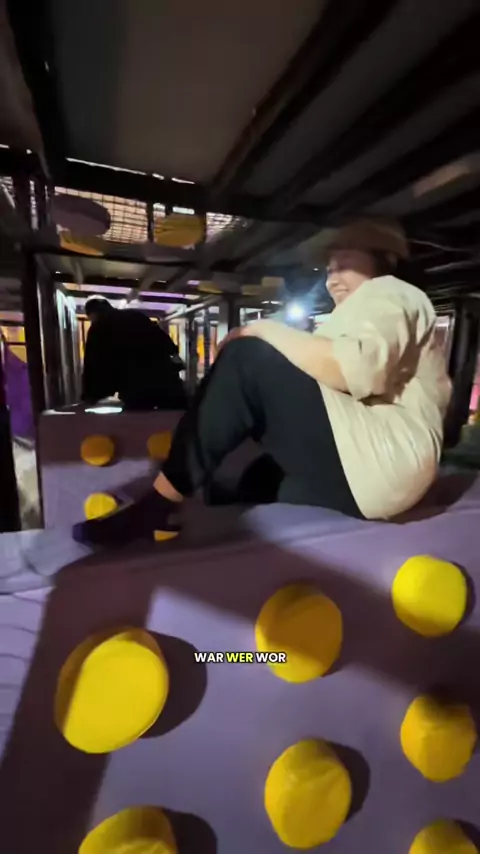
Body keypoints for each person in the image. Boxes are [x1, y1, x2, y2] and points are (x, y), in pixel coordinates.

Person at [72, 218, 452, 548]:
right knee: (250, 481)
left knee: (247, 357)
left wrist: (261, 331)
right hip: (385, 482)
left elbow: (354, 369)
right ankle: (198, 489)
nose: (333, 279)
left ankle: (158, 505)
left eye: (345, 263)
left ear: (386, 261)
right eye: (329, 269)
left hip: (381, 462)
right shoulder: (379, 309)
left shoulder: (389, 290)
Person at [81, 297, 187, 410]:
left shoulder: (98, 329)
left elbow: (92, 364)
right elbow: (164, 340)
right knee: (174, 414)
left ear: (93, 313)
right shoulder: (136, 316)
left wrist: (90, 395)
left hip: (134, 387)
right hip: (165, 380)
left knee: (140, 417)